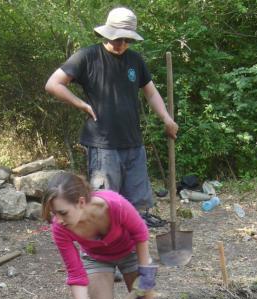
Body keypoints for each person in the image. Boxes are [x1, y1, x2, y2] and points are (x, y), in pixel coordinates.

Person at [45, 6, 178, 228]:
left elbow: (151, 92)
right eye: (117, 39)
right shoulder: (88, 57)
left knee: (136, 206)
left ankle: (131, 252)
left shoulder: (135, 60)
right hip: (103, 145)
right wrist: (82, 104)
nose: (122, 44)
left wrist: (166, 118)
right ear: (106, 33)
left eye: (127, 40)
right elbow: (53, 84)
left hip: (134, 143)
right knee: (104, 204)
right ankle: (104, 252)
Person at [42, 172, 163, 299]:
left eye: (63, 212)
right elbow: (76, 274)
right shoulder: (60, 228)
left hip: (130, 252)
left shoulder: (114, 204)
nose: (58, 220)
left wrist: (146, 272)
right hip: (95, 258)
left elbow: (140, 233)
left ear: (81, 202)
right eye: (54, 213)